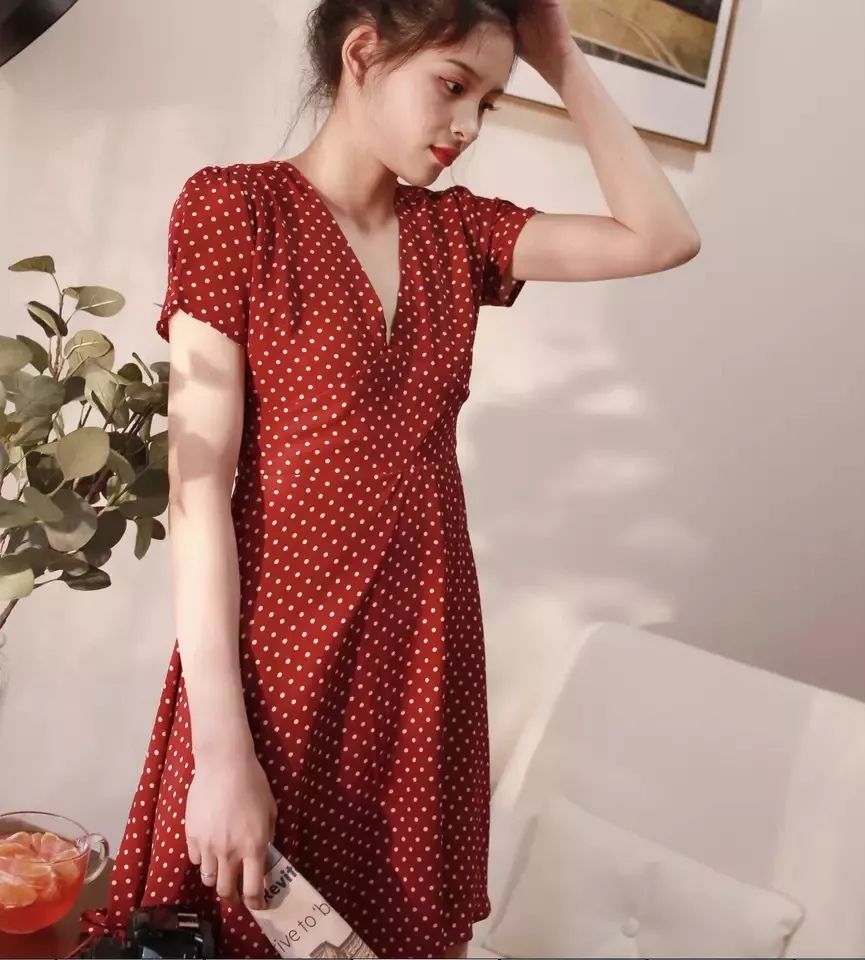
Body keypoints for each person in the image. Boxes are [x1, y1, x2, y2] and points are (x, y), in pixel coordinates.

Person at [82, 0, 700, 955]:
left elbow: (662, 237)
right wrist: (223, 751)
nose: (468, 125)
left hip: (420, 662)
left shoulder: (462, 234)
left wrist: (564, 61)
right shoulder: (235, 210)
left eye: (489, 102)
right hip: (276, 666)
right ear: (363, 52)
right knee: (237, 928)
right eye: (453, 86)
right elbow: (199, 493)